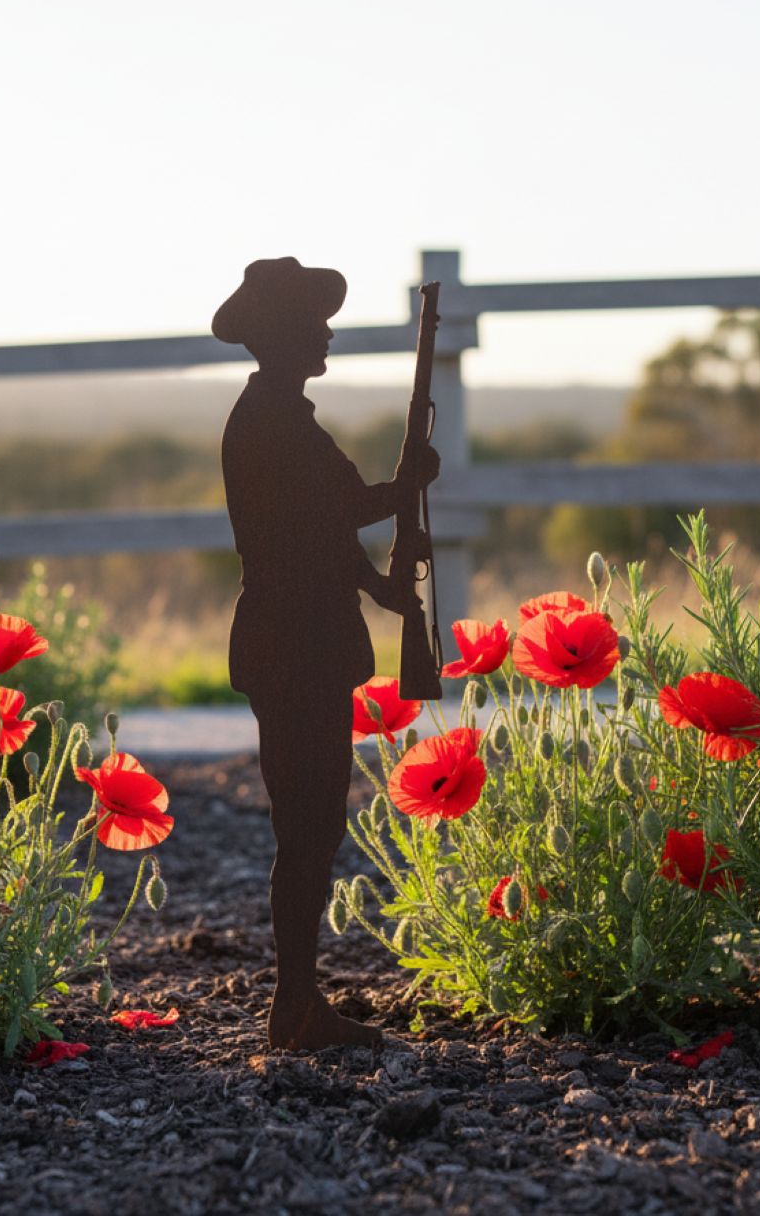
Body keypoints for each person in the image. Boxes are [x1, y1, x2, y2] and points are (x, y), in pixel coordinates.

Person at [213, 257, 438, 1051]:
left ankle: (297, 1002)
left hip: (298, 639)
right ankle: (295, 1007)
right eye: (313, 319)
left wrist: (377, 585)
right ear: (281, 334)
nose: (327, 330)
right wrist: (400, 489)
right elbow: (332, 517)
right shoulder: (273, 423)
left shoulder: (281, 417)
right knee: (306, 829)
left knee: (310, 827)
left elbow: (322, 531)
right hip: (294, 643)